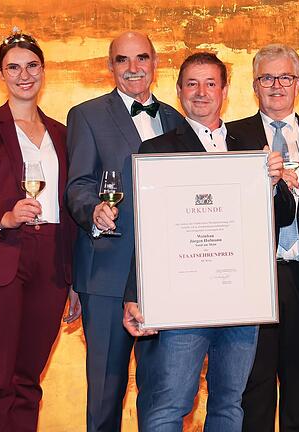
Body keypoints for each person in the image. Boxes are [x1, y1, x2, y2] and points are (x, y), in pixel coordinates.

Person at [121, 52, 295, 431]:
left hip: (240, 299)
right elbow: (143, 231)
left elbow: (282, 217)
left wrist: (275, 181)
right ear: (180, 91)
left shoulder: (251, 145)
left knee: (230, 403)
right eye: (192, 84)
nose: (201, 92)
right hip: (180, 301)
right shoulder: (157, 151)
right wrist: (135, 294)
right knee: (171, 404)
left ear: (225, 91)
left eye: (211, 83)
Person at [0, 28, 81, 431]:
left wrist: (75, 280)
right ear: (1, 75)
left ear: (43, 71)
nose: (24, 75)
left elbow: (73, 207)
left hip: (53, 260)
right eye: (14, 68)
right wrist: (4, 217)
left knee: (29, 379)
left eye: (32, 66)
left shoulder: (63, 133)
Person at [65, 31, 184, 431]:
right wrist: (93, 210)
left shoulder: (175, 118)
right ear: (110, 65)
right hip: (108, 274)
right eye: (122, 60)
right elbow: (77, 184)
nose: (133, 68)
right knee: (105, 393)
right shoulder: (86, 114)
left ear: (155, 63)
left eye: (142, 59)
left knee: (163, 393)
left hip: (165, 276)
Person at [227, 44, 299, 432]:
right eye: (267, 77)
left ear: (298, 84)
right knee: (254, 388)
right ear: (254, 85)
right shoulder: (231, 136)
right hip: (255, 279)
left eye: (285, 77)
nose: (276, 85)